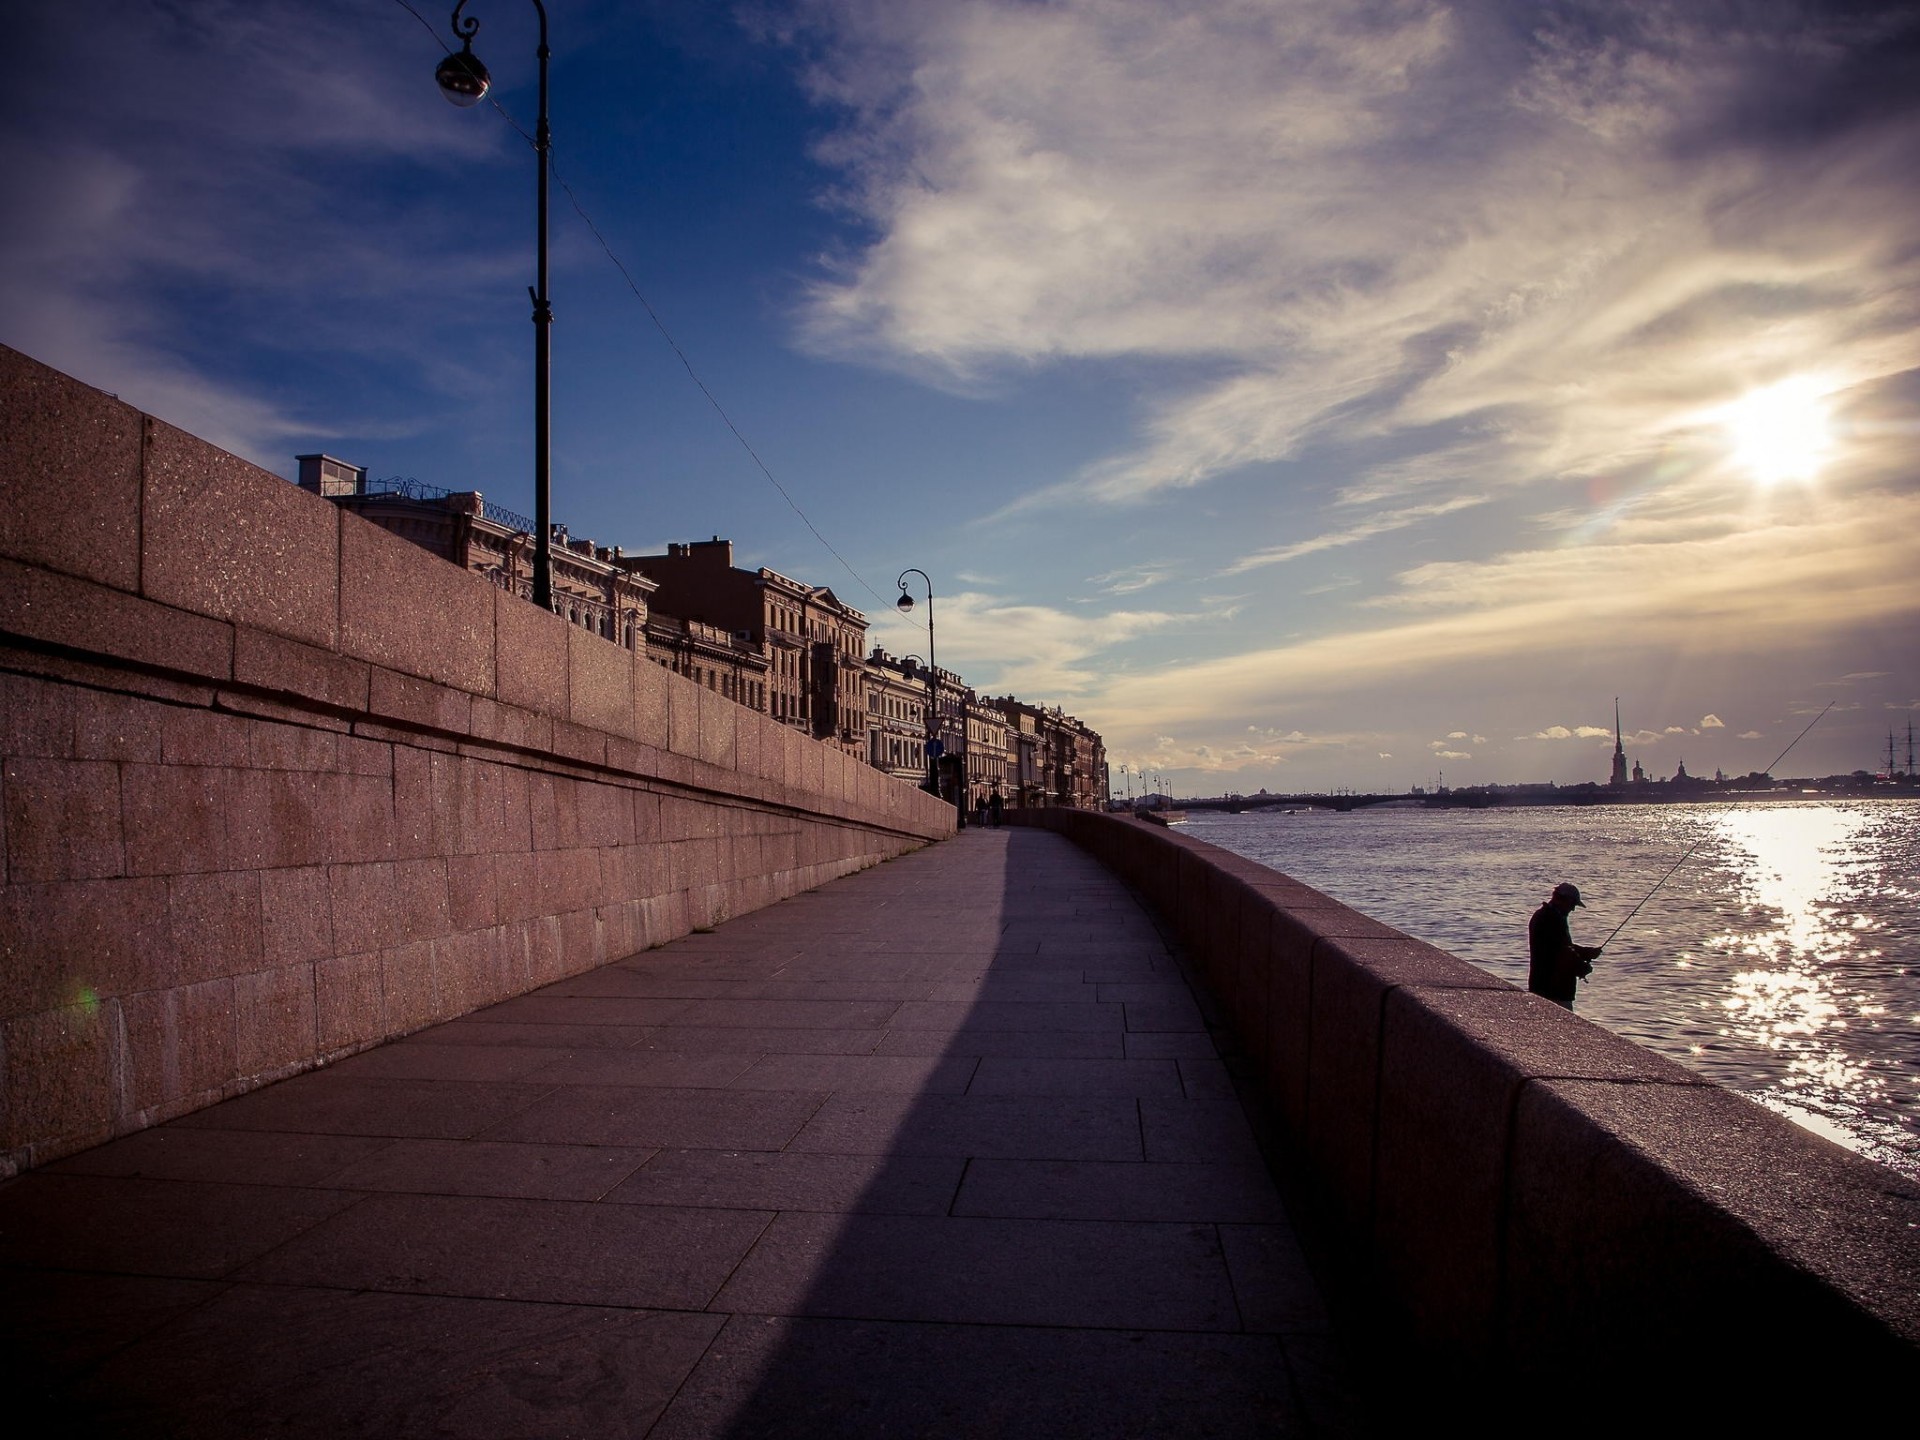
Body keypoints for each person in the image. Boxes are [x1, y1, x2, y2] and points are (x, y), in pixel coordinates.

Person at [1528, 882, 1602, 1010]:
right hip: (1554, 989)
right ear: (1563, 899)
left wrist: (1586, 952)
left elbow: (1560, 946)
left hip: (1542, 985)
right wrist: (1582, 967)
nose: (1573, 909)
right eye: (1572, 904)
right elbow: (1561, 952)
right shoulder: (1550, 919)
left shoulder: (1547, 915)